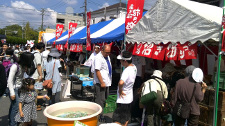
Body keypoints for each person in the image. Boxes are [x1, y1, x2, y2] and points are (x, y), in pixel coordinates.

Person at [5, 48, 23, 126]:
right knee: (15, 107)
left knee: (14, 106)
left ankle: (11, 119)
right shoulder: (15, 66)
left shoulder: (22, 66)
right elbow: (10, 80)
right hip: (13, 88)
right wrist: (12, 92)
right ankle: (13, 123)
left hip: (18, 88)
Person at [94, 44, 112, 122]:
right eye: (106, 52)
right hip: (100, 83)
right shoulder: (98, 58)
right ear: (102, 50)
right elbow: (97, 70)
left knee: (104, 99)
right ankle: (99, 116)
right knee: (100, 100)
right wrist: (102, 82)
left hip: (106, 81)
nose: (108, 54)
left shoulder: (107, 57)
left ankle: (101, 114)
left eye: (109, 52)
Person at [116, 51, 137, 116]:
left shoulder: (127, 70)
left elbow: (121, 82)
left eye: (121, 60)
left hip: (123, 98)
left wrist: (120, 90)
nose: (120, 62)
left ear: (125, 61)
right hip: (129, 95)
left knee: (121, 116)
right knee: (127, 115)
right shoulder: (134, 67)